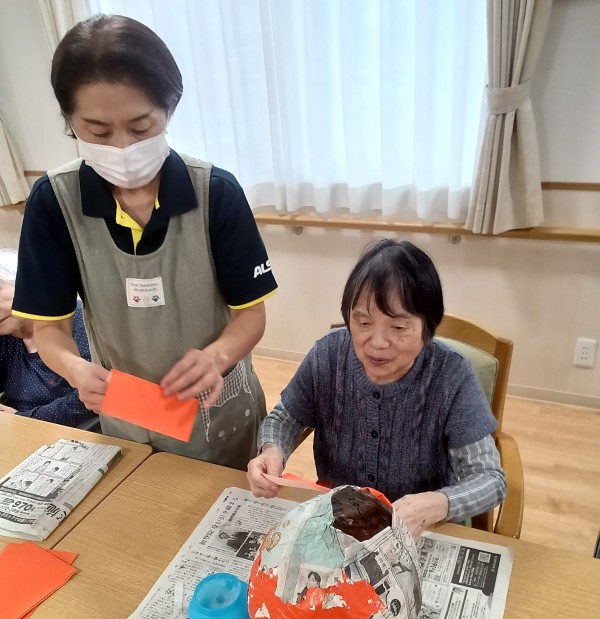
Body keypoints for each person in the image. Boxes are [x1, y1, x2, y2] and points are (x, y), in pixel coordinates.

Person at [12, 14, 277, 469]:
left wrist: (217, 356)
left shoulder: (215, 193)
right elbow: (49, 330)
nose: (122, 148)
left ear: (169, 107)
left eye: (140, 128)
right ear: (70, 121)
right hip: (128, 418)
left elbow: (250, 315)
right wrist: (76, 370)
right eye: (98, 131)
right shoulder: (54, 202)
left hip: (220, 417)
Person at [247, 239, 506, 538]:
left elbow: (490, 479)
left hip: (420, 532)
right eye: (363, 323)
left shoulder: (451, 375)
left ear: (427, 327)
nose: (378, 343)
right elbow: (283, 419)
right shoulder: (328, 355)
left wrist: (438, 504)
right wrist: (272, 450)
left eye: (398, 327)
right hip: (340, 527)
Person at [0, 262, 97, 426]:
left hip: (70, 432)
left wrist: (22, 418)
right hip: (15, 430)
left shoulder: (80, 321)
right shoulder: (6, 339)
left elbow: (88, 400)